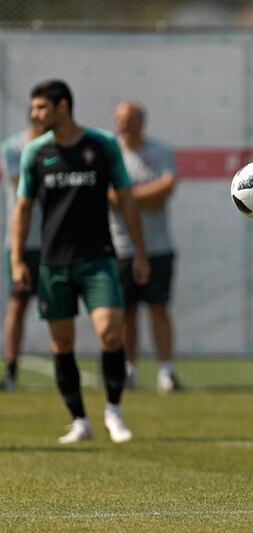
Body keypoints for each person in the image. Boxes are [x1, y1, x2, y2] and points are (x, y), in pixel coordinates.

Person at [11, 80, 150, 444]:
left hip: (98, 259)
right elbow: (23, 208)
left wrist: (139, 251)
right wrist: (17, 259)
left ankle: (114, 411)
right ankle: (79, 421)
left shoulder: (102, 145)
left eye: (41, 107)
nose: (34, 114)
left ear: (63, 107)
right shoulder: (35, 152)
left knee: (110, 331)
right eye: (33, 108)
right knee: (62, 343)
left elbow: (127, 198)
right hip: (53, 263)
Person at [109, 101, 180, 394]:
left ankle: (166, 371)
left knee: (159, 308)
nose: (123, 125)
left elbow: (166, 188)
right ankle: (129, 369)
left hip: (158, 247)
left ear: (141, 122)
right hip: (121, 247)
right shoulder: (109, 152)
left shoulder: (160, 151)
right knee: (126, 312)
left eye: (129, 119)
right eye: (119, 119)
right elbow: (110, 196)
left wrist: (129, 197)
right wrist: (143, 197)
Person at [1, 118, 45, 391]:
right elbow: (24, 187)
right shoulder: (13, 147)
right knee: (17, 305)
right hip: (20, 243)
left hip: (54, 244)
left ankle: (66, 371)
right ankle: (11, 373)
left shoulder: (61, 146)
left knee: (57, 310)